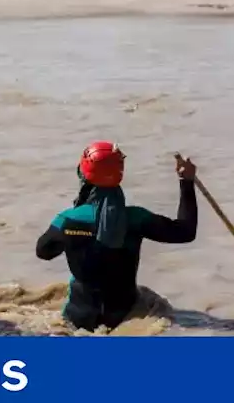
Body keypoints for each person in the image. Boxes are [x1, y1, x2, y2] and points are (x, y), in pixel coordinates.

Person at [35, 141, 197, 331]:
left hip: (77, 316)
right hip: (125, 315)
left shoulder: (67, 219)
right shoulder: (136, 218)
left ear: (83, 173)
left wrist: (75, 240)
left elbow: (43, 252)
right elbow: (185, 232)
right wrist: (186, 182)